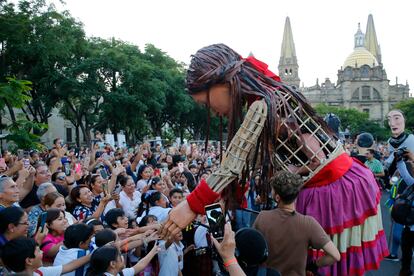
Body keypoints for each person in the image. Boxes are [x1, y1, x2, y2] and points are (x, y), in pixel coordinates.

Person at [162, 44, 388, 275]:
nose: (211, 112)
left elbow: (231, 167)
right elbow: (235, 175)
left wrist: (189, 207)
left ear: (223, 81)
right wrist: (209, 213)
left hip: (332, 189)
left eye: (206, 103)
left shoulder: (261, 105)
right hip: (336, 186)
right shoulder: (266, 100)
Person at [253, 171, 340, 275]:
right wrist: (313, 265)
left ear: (277, 198)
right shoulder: (309, 223)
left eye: (272, 190)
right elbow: (335, 256)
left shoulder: (263, 217)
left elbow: (252, 251)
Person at [0, 237, 91, 276]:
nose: (42, 252)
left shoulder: (39, 271)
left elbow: (69, 266)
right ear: (29, 261)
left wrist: (92, 255)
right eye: (38, 251)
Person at [86, 243, 160, 276]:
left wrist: (154, 250)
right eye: (119, 255)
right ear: (113, 264)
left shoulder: (119, 273)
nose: (122, 257)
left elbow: (139, 266)